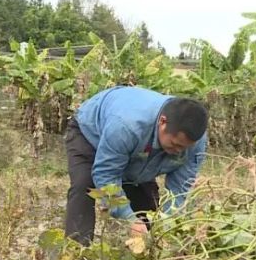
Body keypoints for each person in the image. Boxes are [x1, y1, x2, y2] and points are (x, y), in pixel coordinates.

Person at [64, 85, 209, 245]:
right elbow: (106, 175)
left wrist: (168, 223)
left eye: (184, 148)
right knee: (84, 185)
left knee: (149, 214)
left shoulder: (195, 143)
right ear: (162, 122)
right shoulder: (126, 126)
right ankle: (77, 251)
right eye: (175, 144)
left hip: (137, 148)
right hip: (91, 134)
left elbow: (180, 190)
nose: (178, 151)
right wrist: (129, 217)